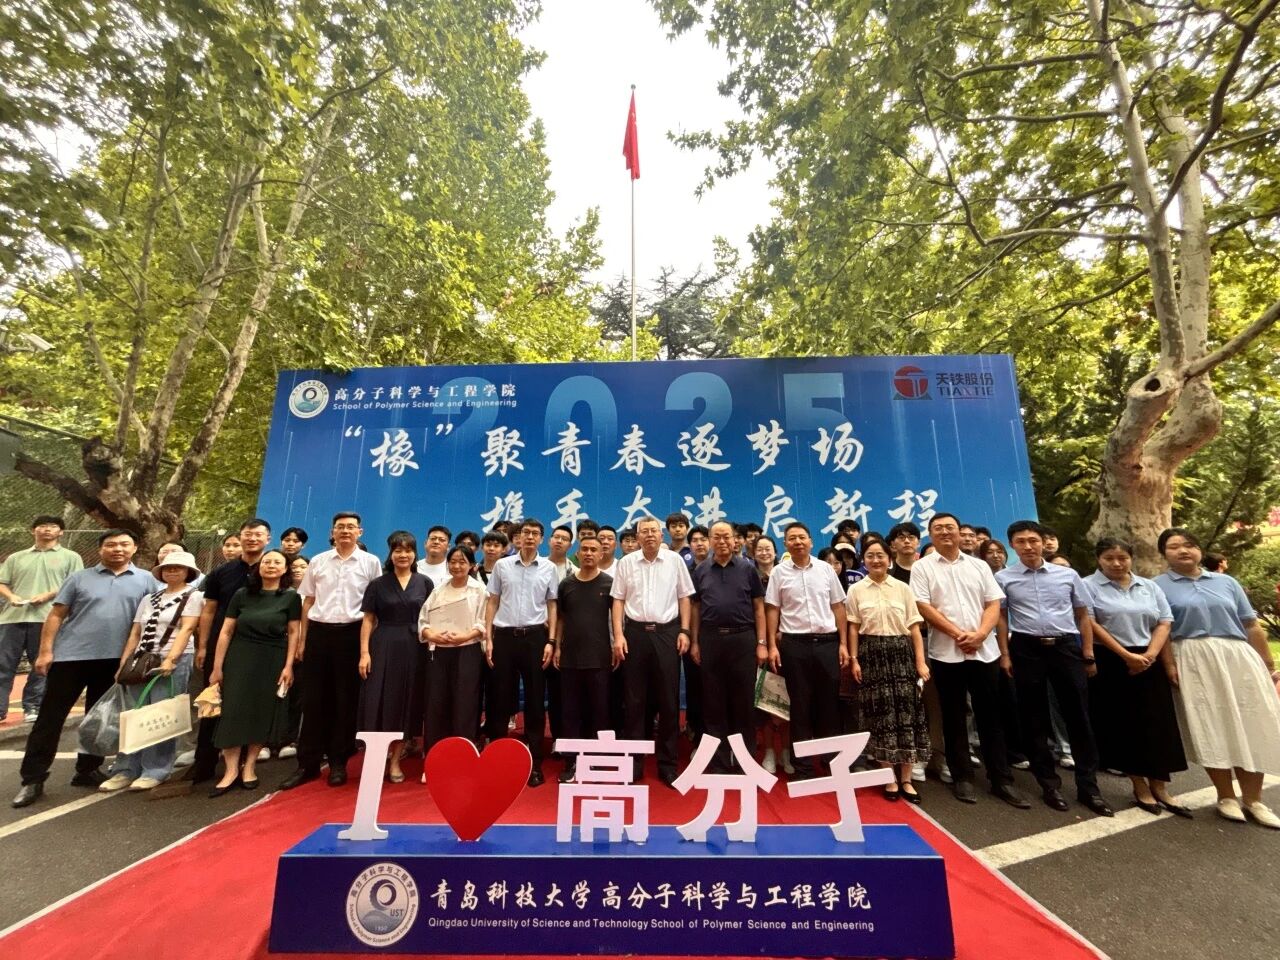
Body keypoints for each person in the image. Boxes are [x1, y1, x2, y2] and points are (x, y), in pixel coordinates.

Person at [12, 530, 159, 808]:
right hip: (71, 657)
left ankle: (87, 769)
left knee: (100, 716)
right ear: (100, 549)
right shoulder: (79, 578)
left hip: (116, 660)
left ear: (135, 548)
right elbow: (56, 614)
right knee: (50, 718)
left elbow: (152, 620)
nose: (118, 549)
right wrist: (45, 651)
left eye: (124, 544)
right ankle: (32, 778)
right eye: (111, 544)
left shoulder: (147, 580)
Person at [1154, 528, 1280, 828]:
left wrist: (1267, 663)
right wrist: (1169, 665)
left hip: (1237, 656)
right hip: (1192, 658)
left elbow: (1250, 624)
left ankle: (1254, 800)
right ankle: (1226, 796)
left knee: (1251, 724)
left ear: (1199, 550)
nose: (1183, 550)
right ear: (1164, 554)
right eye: (1174, 546)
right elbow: (1162, 629)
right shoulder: (1157, 586)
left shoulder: (1226, 582)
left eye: (1189, 544)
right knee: (1211, 726)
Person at [910, 513, 1029, 809]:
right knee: (953, 716)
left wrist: (980, 635)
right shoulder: (922, 567)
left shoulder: (978, 565)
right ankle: (962, 776)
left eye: (950, 527)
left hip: (984, 651)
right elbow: (923, 606)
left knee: (991, 715)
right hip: (946, 653)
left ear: (960, 532)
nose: (945, 532)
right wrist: (957, 634)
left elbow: (993, 604)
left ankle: (1001, 778)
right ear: (930, 534)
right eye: (938, 529)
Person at [996, 520, 1111, 816]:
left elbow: (1083, 615)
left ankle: (1089, 787)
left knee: (1078, 716)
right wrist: (1005, 654)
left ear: (1042, 542)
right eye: (1021, 541)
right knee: (1033, 719)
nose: (1028, 546)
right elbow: (1002, 618)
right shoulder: (1004, 578)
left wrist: (1088, 653)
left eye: (1033, 540)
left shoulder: (1067, 575)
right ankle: (1049, 784)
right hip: (1026, 648)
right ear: (1013, 545)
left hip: (1065, 647)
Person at [1085, 537, 1188, 816]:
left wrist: (1150, 655)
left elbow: (1164, 621)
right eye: (1109, 558)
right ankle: (1139, 786)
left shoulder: (1149, 586)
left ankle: (1161, 786)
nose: (1117, 563)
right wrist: (1126, 655)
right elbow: (1090, 623)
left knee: (1159, 724)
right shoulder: (1088, 586)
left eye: (1123, 558)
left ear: (1131, 558)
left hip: (1149, 658)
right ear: (1099, 560)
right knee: (1126, 725)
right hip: (1112, 660)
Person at [283, 512, 383, 789]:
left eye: (351, 527)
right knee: (313, 700)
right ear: (333, 532)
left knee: (345, 701)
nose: (345, 531)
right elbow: (308, 602)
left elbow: (374, 608)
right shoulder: (318, 561)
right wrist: (303, 640)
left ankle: (339, 762)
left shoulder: (370, 562)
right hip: (319, 633)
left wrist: (366, 646)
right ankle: (308, 764)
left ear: (360, 532)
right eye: (340, 527)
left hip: (352, 634)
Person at [98, 550, 204, 792]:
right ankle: (126, 768)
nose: (172, 571)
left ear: (188, 572)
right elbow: (135, 632)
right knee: (133, 714)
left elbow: (187, 629)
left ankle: (156, 769)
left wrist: (171, 659)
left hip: (172, 659)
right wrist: (124, 663)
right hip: (141, 659)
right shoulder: (149, 598)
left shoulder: (194, 596)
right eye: (167, 567)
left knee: (161, 715)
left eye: (178, 567)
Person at [611, 515, 695, 785]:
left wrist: (684, 631)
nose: (649, 535)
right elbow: (618, 601)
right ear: (637, 538)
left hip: (667, 633)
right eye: (643, 531)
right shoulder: (626, 563)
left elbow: (685, 597)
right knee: (634, 701)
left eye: (653, 531)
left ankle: (667, 764)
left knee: (668, 700)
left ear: (661, 535)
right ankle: (634, 763)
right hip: (635, 634)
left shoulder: (675, 561)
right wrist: (619, 635)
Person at [207, 550, 299, 796]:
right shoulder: (242, 594)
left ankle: (249, 767)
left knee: (261, 711)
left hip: (272, 658)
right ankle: (230, 770)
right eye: (267, 562)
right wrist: (217, 666)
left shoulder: (291, 597)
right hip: (240, 656)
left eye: (277, 562)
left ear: (285, 569)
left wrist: (288, 665)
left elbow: (293, 632)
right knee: (233, 712)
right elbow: (226, 631)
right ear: (258, 567)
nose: (271, 565)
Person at [847, 540, 930, 803]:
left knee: (907, 715)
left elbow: (914, 628)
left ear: (889, 558)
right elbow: (853, 628)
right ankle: (888, 778)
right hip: (871, 655)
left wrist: (920, 662)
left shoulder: (903, 588)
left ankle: (906, 778)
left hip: (902, 654)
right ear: (864, 560)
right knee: (880, 716)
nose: (876, 560)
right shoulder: (856, 590)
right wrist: (854, 659)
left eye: (880, 555)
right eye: (870, 556)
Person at [764, 522, 848, 781]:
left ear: (811, 541)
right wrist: (772, 645)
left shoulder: (825, 569)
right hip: (794, 645)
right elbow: (772, 609)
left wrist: (843, 643)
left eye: (802, 537)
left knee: (828, 705)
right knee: (799, 706)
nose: (798, 542)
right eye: (792, 538)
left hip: (827, 644)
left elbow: (838, 607)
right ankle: (802, 768)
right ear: (785, 544)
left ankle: (830, 763)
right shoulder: (779, 572)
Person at [191, 518, 271, 783]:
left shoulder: (273, 568)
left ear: (267, 539)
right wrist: (203, 646)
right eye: (248, 534)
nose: (252, 539)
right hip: (221, 643)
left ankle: (245, 764)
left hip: (258, 645)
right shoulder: (221, 573)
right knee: (212, 699)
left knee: (249, 702)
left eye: (258, 535)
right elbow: (209, 610)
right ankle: (204, 762)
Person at [485, 518, 559, 786]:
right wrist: (488, 637)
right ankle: (496, 760)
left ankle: (534, 763)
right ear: (517, 537)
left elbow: (552, 605)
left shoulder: (549, 568)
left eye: (535, 533)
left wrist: (551, 641)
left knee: (536, 701)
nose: (529, 537)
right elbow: (492, 601)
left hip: (535, 638)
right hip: (504, 637)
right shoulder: (502, 565)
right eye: (525, 532)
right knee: (499, 700)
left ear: (541, 539)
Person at [690, 521, 767, 773]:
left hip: (743, 639)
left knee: (743, 702)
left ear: (735, 540)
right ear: (710, 540)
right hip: (711, 639)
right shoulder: (701, 570)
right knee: (713, 702)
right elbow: (695, 608)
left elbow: (759, 608)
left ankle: (745, 761)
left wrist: (761, 643)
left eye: (727, 537)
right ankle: (719, 762)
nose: (722, 541)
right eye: (717, 537)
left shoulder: (748, 569)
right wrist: (695, 641)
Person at [356, 532, 431, 783]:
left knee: (404, 703)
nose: (403, 555)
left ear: (415, 554)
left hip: (414, 648)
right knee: (377, 701)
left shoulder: (424, 582)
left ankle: (396, 760)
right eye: (398, 550)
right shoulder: (378, 584)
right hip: (383, 645)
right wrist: (364, 653)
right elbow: (368, 620)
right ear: (390, 553)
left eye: (408, 550)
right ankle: (376, 758)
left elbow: (431, 617)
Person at [0, 515, 83, 723]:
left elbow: (75, 584)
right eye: (42, 526)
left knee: (41, 664)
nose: (47, 529)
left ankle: (33, 706)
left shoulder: (70, 557)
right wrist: (11, 597)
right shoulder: (16, 557)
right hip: (12, 618)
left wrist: (48, 595)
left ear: (61, 532)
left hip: (48, 618)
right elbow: (2, 582)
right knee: (3, 664)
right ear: (33, 530)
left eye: (53, 526)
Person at [554, 533, 614, 782]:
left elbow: (617, 619)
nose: (589, 553)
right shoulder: (566, 584)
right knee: (571, 712)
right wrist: (557, 646)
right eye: (585, 549)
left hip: (600, 657)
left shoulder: (609, 583)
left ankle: (598, 759)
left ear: (601, 554)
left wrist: (616, 645)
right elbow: (560, 618)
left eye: (593, 550)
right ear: (577, 554)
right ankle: (571, 762)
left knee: (600, 711)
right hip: (570, 658)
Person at [423, 545, 486, 752]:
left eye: (462, 562)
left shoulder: (479, 590)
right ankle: (435, 753)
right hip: (440, 652)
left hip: (467, 650)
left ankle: (463, 752)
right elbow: (423, 620)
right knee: (437, 701)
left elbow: (484, 622)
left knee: (465, 701)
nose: (457, 566)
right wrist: (431, 634)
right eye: (453, 562)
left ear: (472, 565)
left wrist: (466, 636)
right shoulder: (438, 589)